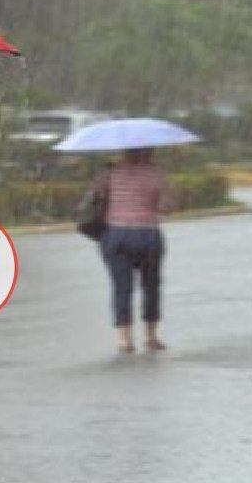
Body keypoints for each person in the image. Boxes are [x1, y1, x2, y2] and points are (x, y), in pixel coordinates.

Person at [94, 148, 171, 353]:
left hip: (117, 235)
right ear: (151, 152)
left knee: (121, 287)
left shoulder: (110, 173)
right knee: (151, 285)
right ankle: (151, 336)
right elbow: (165, 207)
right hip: (148, 234)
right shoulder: (156, 174)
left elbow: (99, 198)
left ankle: (124, 340)